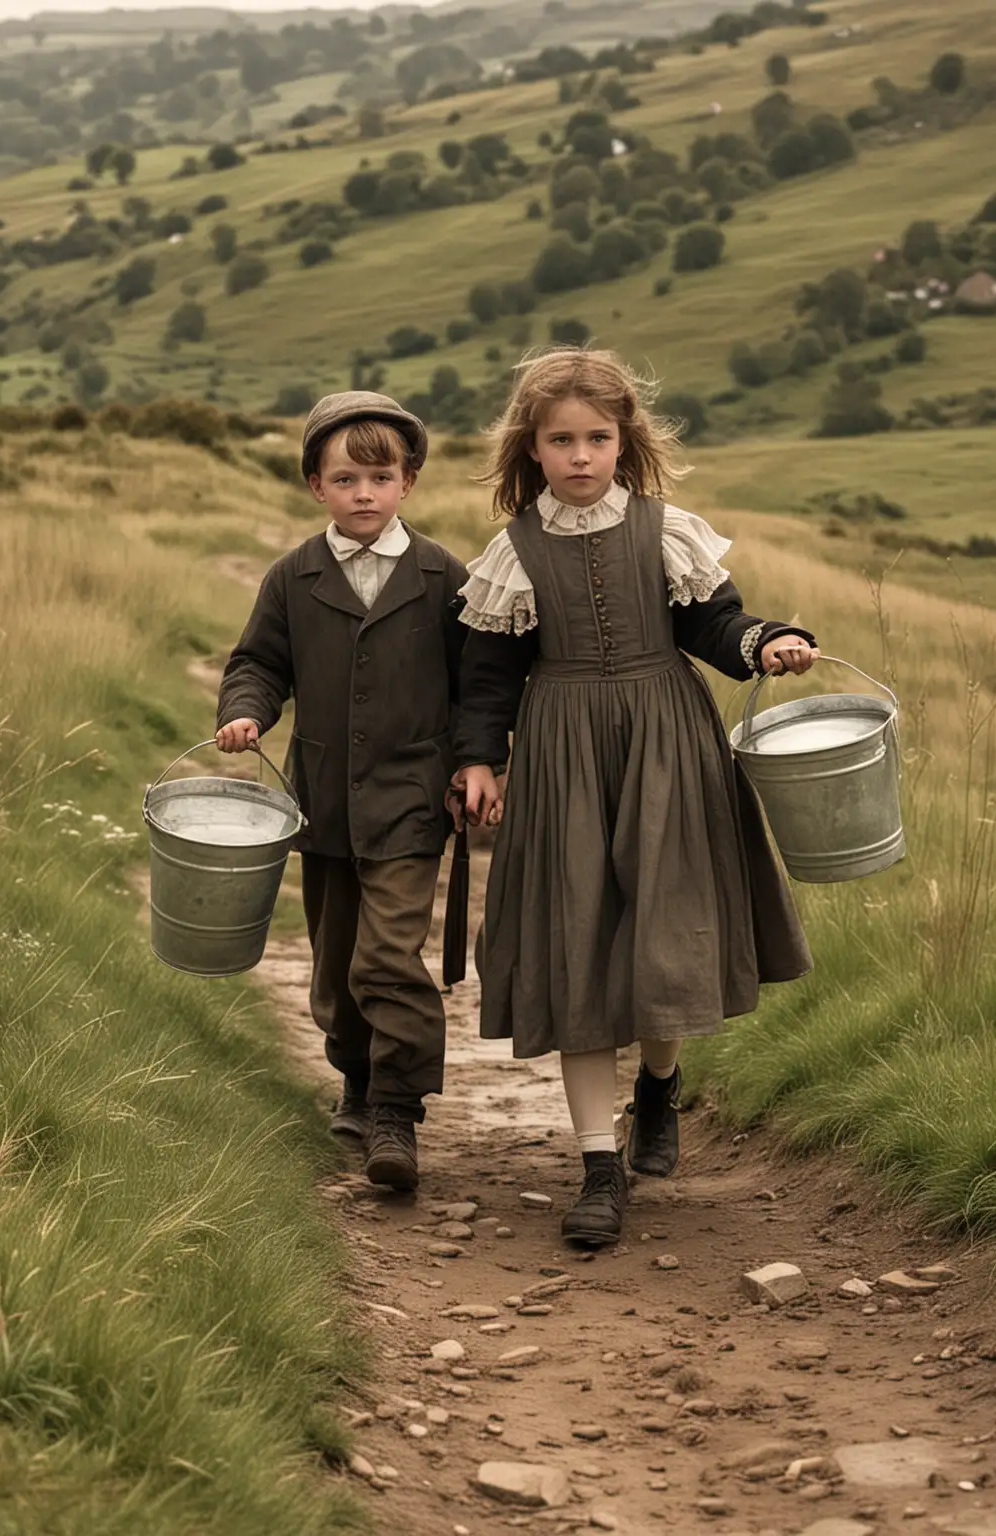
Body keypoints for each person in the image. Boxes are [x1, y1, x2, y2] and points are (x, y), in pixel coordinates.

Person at [453, 348, 817, 1246]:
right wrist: (479, 760)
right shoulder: (514, 551)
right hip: (564, 754)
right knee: (577, 947)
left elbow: (714, 624)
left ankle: (658, 1085)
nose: (580, 456)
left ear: (625, 442)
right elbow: (488, 677)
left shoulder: (667, 531)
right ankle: (596, 1168)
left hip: (668, 746)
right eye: (561, 440)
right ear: (531, 449)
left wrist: (765, 641)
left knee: (667, 938)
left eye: (598, 438)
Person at [216, 392, 467, 1193]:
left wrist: (474, 763)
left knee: (389, 955)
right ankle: (355, 1077)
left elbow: (477, 683)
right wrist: (246, 714)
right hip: (322, 802)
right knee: (336, 963)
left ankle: (397, 1109)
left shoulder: (441, 576)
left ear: (410, 482)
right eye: (347, 478)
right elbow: (257, 663)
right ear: (314, 486)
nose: (365, 493)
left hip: (410, 799)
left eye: (381, 477)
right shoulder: (294, 576)